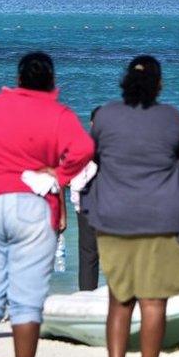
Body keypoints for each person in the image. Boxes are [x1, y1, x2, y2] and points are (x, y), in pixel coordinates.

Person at [0, 52, 94, 357]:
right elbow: (85, 149)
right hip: (32, 204)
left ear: (18, 80)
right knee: (26, 303)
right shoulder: (57, 112)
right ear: (52, 82)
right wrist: (58, 176)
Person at [82, 56, 179, 357]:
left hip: (115, 218)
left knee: (120, 302)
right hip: (162, 219)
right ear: (159, 84)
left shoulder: (106, 116)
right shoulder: (172, 118)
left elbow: (90, 155)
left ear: (125, 81)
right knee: (154, 304)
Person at [76, 108, 101, 291]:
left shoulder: (81, 144)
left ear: (91, 123)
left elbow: (73, 178)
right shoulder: (116, 144)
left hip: (85, 203)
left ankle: (86, 295)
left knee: (88, 255)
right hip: (113, 203)